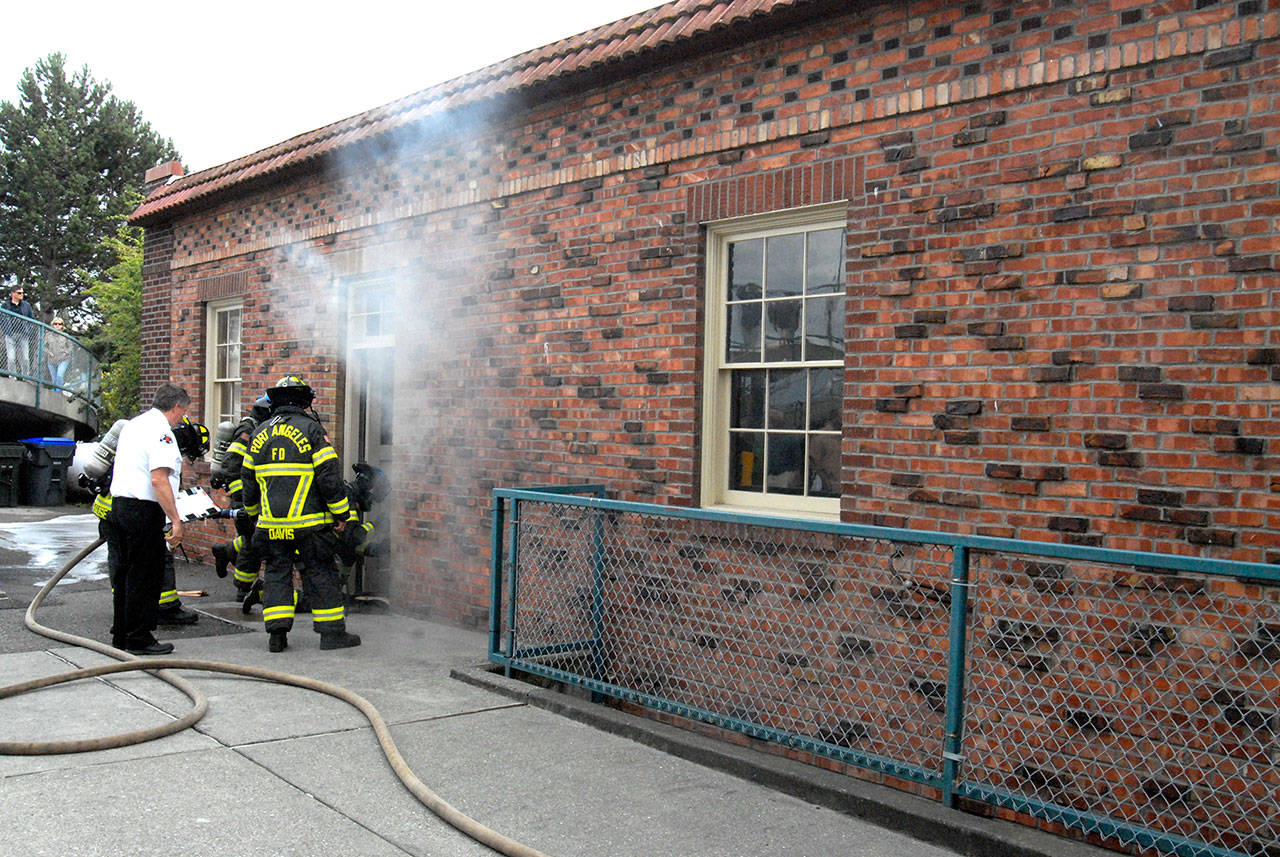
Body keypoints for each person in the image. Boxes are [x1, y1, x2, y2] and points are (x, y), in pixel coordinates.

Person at [241, 374, 360, 653]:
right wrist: (342, 514)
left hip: (270, 526)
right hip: (310, 527)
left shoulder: (260, 432)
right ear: (305, 401)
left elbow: (247, 480)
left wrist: (253, 514)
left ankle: (277, 636)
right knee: (321, 574)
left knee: (277, 574)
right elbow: (329, 479)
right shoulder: (313, 430)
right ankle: (331, 634)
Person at [95, 416, 209, 628]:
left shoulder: (139, 436)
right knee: (153, 558)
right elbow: (158, 482)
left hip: (109, 509)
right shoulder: (162, 444)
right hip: (127, 511)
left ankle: (124, 612)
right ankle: (164, 608)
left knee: (122, 561)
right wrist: (173, 519)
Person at [108, 382, 190, 655]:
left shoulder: (134, 425)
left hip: (119, 505)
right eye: (183, 412)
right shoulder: (161, 431)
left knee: (125, 574)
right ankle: (139, 638)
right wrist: (175, 520)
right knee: (145, 575)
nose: (182, 418)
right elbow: (159, 478)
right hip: (143, 511)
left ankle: (122, 634)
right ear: (176, 406)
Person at [211, 394, 271, 600]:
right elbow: (231, 462)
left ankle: (226, 551)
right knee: (251, 542)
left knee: (252, 539)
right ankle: (242, 590)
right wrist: (242, 496)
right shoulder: (248, 429)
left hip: (253, 495)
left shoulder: (259, 426)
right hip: (244, 496)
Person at [1, 284, 35, 376]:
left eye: (22, 293)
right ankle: (12, 376)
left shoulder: (26, 305)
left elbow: (31, 319)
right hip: (10, 335)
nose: (21, 295)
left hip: (23, 335)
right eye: (19, 293)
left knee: (25, 358)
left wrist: (29, 329)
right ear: (13, 294)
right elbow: (1, 319)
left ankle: (25, 376)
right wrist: (6, 330)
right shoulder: (5, 306)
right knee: (11, 358)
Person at [45, 316, 72, 389]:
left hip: (63, 359)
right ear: (52, 325)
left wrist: (66, 352)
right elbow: (43, 346)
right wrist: (49, 352)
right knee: (54, 379)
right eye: (55, 324)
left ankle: (59, 393)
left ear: (62, 326)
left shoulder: (65, 336)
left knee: (59, 375)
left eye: (59, 324)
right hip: (52, 360)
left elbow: (70, 346)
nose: (57, 326)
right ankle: (55, 393)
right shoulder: (48, 335)